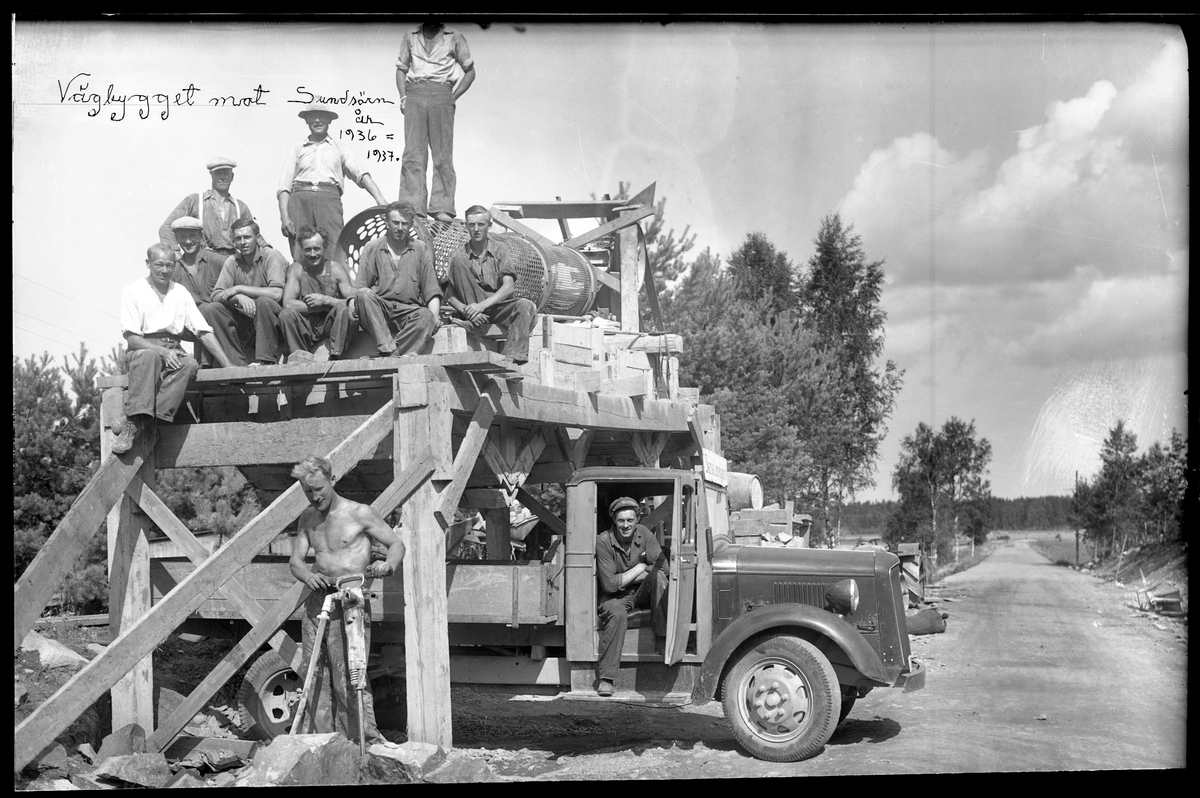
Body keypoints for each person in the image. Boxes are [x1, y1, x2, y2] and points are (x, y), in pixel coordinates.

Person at [288, 455, 404, 744]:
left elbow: (396, 544)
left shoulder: (360, 513)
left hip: (350, 602)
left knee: (350, 675)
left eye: (319, 489)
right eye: (308, 491)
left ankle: (362, 742)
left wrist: (388, 564)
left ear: (332, 480)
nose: (315, 497)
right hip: (318, 602)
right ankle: (322, 743)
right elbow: (295, 561)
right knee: (314, 672)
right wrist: (307, 576)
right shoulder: (308, 518)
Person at [112, 244, 233, 454]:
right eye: (159, 265)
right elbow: (131, 336)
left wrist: (228, 365)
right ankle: (133, 425)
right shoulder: (133, 290)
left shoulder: (180, 292)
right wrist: (162, 352)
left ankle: (142, 422)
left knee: (189, 365)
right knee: (149, 356)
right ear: (148, 264)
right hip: (143, 347)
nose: (165, 270)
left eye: (169, 265)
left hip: (173, 347)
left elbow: (203, 330)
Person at [278, 102, 388, 262]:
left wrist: (380, 200)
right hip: (300, 200)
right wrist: (284, 218)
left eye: (321, 116)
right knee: (300, 249)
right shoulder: (297, 149)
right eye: (312, 116)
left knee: (334, 247)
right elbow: (284, 186)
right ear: (306, 120)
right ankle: (301, 278)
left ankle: (334, 279)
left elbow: (361, 174)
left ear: (329, 120)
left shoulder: (340, 148)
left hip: (329, 200)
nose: (317, 120)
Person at [395, 21, 475, 222]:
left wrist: (453, 97)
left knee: (442, 153)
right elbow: (401, 69)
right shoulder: (410, 35)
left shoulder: (454, 36)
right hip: (415, 92)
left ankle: (442, 207)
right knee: (413, 153)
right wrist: (403, 97)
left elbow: (470, 71)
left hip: (442, 92)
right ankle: (412, 206)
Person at [594, 496, 668, 697]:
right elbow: (610, 585)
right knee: (617, 614)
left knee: (658, 577)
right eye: (621, 521)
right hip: (615, 597)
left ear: (637, 519)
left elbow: (663, 568)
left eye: (630, 520)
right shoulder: (603, 540)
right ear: (614, 520)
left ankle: (662, 639)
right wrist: (640, 567)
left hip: (641, 591)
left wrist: (628, 577)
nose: (625, 525)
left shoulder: (644, 534)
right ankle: (607, 678)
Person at [443, 205, 536, 365]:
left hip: (496, 307)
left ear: (489, 225)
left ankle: (510, 362)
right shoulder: (459, 254)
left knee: (526, 305)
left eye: (481, 224)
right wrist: (468, 311)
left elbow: (508, 287)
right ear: (466, 226)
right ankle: (475, 322)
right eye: (472, 225)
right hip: (471, 312)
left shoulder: (500, 249)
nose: (476, 229)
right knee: (459, 260)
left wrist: (481, 306)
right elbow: (449, 295)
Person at [351, 201, 441, 357]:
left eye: (404, 224)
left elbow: (431, 290)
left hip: (408, 312)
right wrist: (352, 309)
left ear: (411, 224)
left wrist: (435, 316)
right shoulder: (372, 247)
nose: (400, 228)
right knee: (363, 294)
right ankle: (389, 348)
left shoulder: (420, 248)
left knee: (427, 316)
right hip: (379, 312)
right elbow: (359, 287)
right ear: (386, 221)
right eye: (395, 222)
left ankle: (390, 354)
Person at [208, 217, 290, 366]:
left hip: (275, 324)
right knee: (213, 309)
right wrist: (237, 298)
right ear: (233, 242)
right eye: (238, 238)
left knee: (263, 302)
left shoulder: (272, 256)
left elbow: (276, 293)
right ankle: (236, 364)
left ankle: (266, 360)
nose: (243, 242)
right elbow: (216, 295)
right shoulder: (232, 262)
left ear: (257, 238)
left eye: (247, 237)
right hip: (250, 325)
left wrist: (239, 289)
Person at [158, 157, 264, 258]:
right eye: (218, 173)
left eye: (226, 173)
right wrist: (177, 254)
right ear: (211, 175)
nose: (222, 177)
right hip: (204, 262)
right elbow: (166, 229)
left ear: (232, 177)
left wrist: (267, 250)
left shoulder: (240, 206)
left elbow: (255, 236)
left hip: (233, 262)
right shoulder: (195, 201)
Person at [279, 227, 355, 363]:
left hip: (330, 325)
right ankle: (299, 356)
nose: (312, 254)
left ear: (324, 247)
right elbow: (288, 303)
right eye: (308, 249)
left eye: (316, 249)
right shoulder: (296, 269)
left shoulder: (336, 269)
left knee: (343, 309)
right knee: (286, 314)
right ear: (302, 250)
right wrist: (320, 306)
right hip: (306, 324)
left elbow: (352, 302)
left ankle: (336, 355)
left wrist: (326, 300)